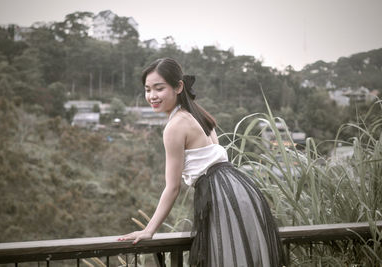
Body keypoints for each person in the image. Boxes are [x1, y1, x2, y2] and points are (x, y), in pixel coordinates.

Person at [118, 58, 285, 267]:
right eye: (148, 89)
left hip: (219, 194)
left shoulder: (175, 127)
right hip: (238, 188)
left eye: (159, 89)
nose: (152, 96)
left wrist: (149, 230)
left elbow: (172, 187)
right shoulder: (197, 114)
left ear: (179, 87)